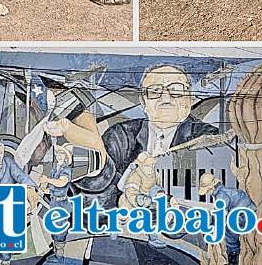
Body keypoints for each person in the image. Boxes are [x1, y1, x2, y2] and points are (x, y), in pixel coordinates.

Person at [47, 65, 218, 209]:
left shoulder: (208, 139)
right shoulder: (121, 135)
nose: (166, 98)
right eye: (155, 91)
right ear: (144, 102)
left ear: (189, 99)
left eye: (175, 90)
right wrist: (94, 163)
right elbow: (99, 201)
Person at [198, 173, 256, 265]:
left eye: (207, 191)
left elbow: (219, 216)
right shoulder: (224, 191)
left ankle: (233, 261)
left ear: (211, 188)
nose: (208, 193)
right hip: (247, 211)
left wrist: (212, 232)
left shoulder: (221, 195)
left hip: (244, 215)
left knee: (229, 233)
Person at [39, 144, 74, 262]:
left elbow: (61, 183)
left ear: (66, 157)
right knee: (54, 227)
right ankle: (56, 253)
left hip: (62, 204)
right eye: (58, 153)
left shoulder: (66, 170)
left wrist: (47, 180)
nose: (59, 155)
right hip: (54, 202)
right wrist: (45, 190)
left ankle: (60, 256)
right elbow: (54, 187)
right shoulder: (55, 168)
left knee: (60, 228)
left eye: (62, 154)